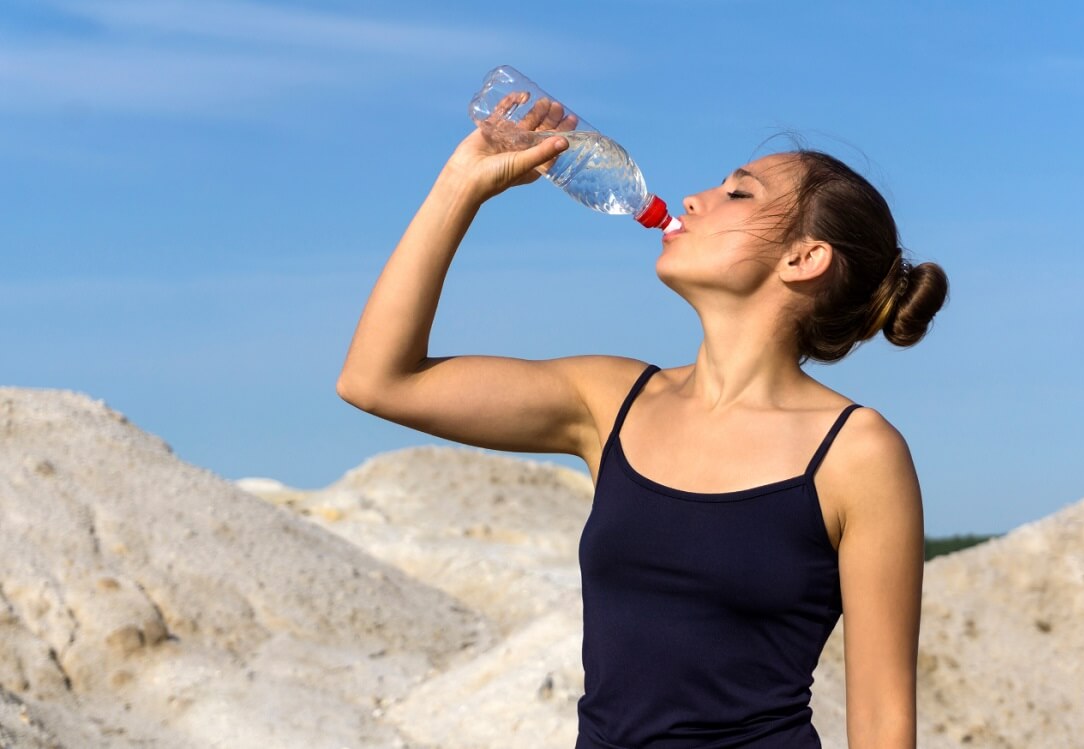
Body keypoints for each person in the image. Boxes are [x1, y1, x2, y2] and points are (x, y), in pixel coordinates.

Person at [337, 102, 948, 749]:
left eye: (738, 192)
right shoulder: (610, 400)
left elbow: (883, 725)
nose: (695, 198)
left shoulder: (857, 453)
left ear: (804, 258)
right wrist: (461, 185)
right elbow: (377, 379)